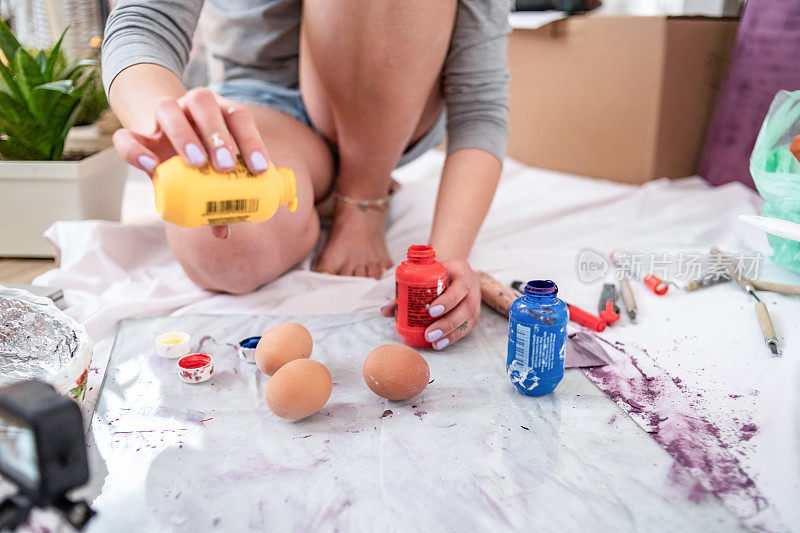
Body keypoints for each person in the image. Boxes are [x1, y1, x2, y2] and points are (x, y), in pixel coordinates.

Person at [102, 0, 509, 350]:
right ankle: (324, 187)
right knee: (225, 253)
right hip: (262, 113)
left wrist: (445, 260)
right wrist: (166, 121)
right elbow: (145, 22)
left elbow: (479, 106)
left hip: (394, 112)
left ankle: (363, 196)